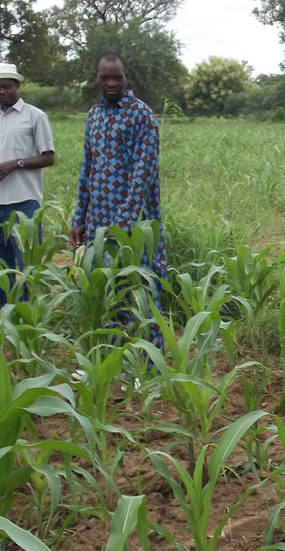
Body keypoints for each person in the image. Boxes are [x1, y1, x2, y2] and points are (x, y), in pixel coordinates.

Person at [68, 51, 167, 344]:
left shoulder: (141, 115)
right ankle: (114, 358)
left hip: (134, 224)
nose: (112, 82)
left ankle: (149, 363)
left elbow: (143, 174)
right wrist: (78, 218)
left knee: (139, 289)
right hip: (97, 221)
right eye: (105, 77)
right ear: (96, 79)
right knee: (105, 290)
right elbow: (87, 168)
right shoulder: (94, 116)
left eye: (117, 77)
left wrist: (122, 224)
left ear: (125, 78)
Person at [0, 62, 55, 305]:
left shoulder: (35, 116)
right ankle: (6, 314)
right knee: (3, 264)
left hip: (25, 203)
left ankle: (30, 312)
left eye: (7, 87)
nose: (3, 92)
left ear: (18, 86)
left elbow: (48, 157)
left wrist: (16, 164)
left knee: (27, 264)